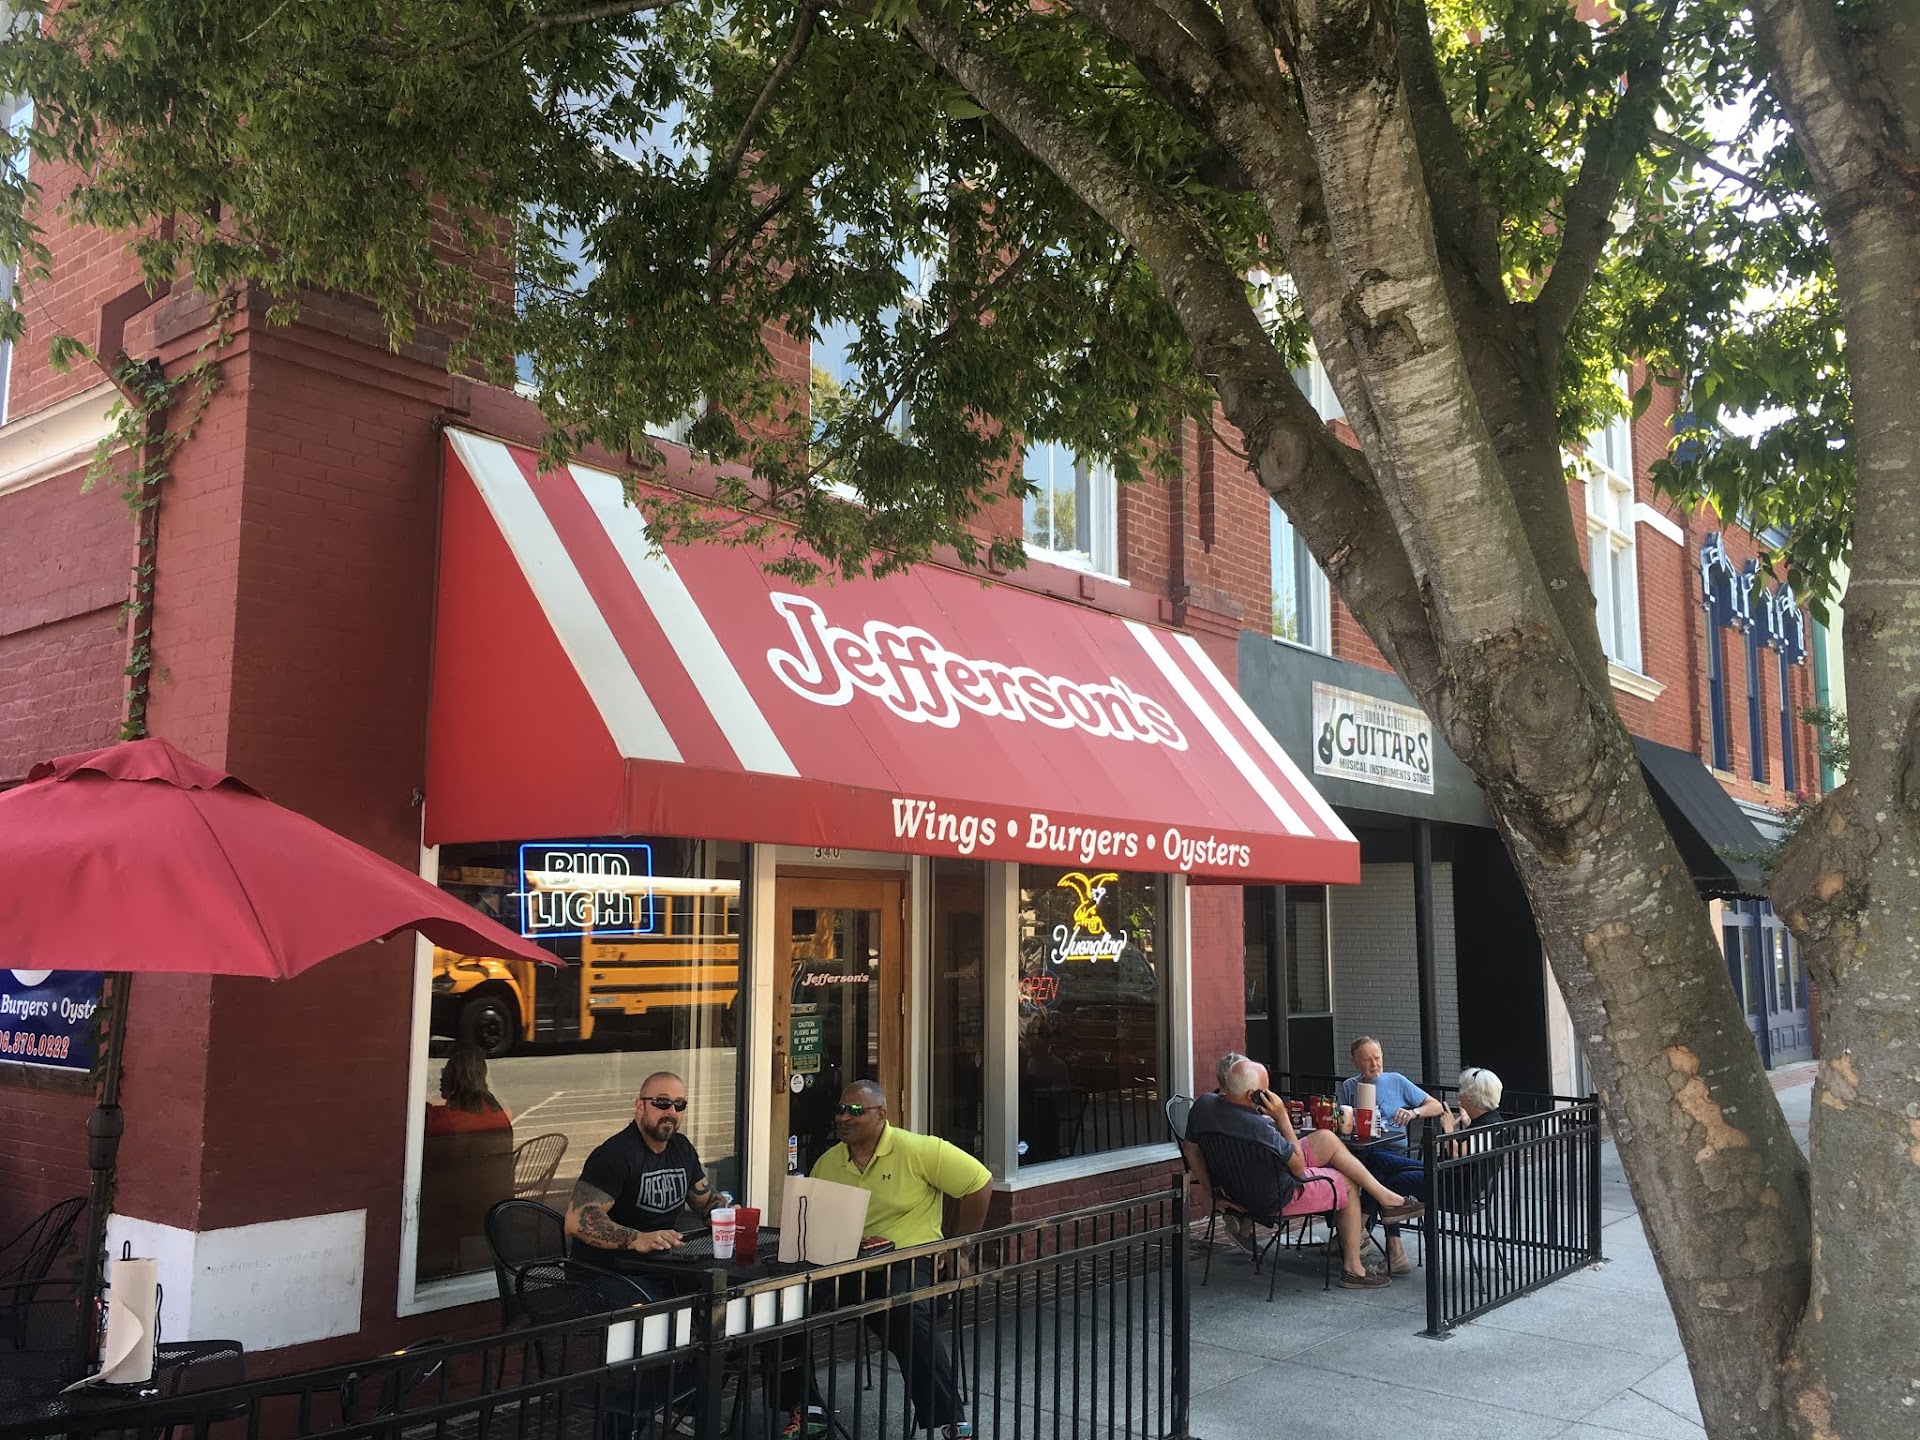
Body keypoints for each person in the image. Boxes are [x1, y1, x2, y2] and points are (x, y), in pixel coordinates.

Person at [780, 1080, 990, 1439]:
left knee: (906, 1313)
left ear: (881, 1114)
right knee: (784, 1310)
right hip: (847, 1263)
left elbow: (979, 1183)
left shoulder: (920, 1149)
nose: (844, 1118)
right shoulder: (828, 1163)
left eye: (855, 1111)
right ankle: (808, 1408)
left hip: (909, 1259)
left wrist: (960, 1247)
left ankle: (949, 1418)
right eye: (840, 1110)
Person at [1189, 1058, 1423, 1288]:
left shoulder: (1204, 1106)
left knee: (1326, 1138)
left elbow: (1191, 1150)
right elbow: (1299, 1168)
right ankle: (1353, 1269)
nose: (1271, 1094)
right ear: (1253, 1095)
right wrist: (1282, 1117)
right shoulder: (1259, 1128)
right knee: (1346, 1183)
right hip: (1274, 1196)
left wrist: (1212, 1192)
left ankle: (1385, 1197)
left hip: (1240, 1186)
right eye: (1266, 1090)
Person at [565, 1071, 729, 1265]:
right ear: (640, 1106)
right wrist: (637, 1239)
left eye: (679, 1104)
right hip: (609, 1271)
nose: (671, 1112)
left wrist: (727, 1215)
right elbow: (575, 1221)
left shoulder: (682, 1148)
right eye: (662, 1102)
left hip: (661, 1265)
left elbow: (706, 1202)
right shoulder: (615, 1154)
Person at [1336, 1036, 1446, 1275]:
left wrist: (1414, 1113)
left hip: (1393, 1151)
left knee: (1376, 1169)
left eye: (1377, 1058)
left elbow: (1436, 1106)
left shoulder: (1396, 1080)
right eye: (1367, 1060)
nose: (1374, 1064)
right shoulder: (1349, 1086)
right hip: (1360, 1152)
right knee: (1370, 1172)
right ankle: (1392, 1250)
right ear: (1355, 1062)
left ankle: (1356, 1230)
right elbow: (1341, 1121)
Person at [424, 1046, 512, 1135]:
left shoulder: (441, 1119)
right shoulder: (496, 1114)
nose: (441, 1078)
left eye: (446, 1072)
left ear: (457, 1080)